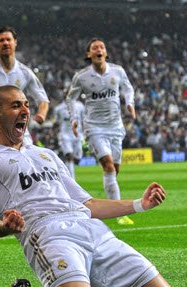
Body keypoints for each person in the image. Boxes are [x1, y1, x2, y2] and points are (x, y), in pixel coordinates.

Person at [0, 86, 180, 287]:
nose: (25, 110)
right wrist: (5, 226)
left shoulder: (46, 154)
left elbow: (87, 203)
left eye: (27, 104)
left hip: (92, 229)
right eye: (16, 105)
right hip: (49, 234)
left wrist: (140, 204)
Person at [66, 38, 136, 225]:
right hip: (94, 127)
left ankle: (109, 197)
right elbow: (70, 98)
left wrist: (130, 103)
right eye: (94, 47)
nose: (99, 49)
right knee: (109, 166)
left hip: (115, 126)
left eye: (102, 47)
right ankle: (119, 213)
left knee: (115, 169)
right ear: (89, 54)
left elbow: (128, 88)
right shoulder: (81, 76)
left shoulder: (118, 71)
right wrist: (74, 119)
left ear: (105, 52)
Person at [52, 97, 85, 178]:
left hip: (77, 135)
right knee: (69, 156)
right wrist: (52, 131)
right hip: (65, 136)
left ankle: (65, 167)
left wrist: (86, 132)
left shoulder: (80, 106)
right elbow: (56, 122)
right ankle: (71, 180)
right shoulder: (59, 108)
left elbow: (83, 120)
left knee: (77, 159)